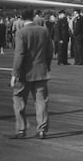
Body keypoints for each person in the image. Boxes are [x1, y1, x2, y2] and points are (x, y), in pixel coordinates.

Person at [10, 9, 54, 139]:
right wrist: (47, 66)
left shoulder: (21, 33)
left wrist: (14, 74)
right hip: (41, 72)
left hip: (25, 74)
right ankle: (42, 129)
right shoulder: (44, 31)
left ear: (22, 19)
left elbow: (19, 54)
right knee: (41, 102)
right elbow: (50, 51)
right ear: (33, 17)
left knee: (18, 99)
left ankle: (21, 129)